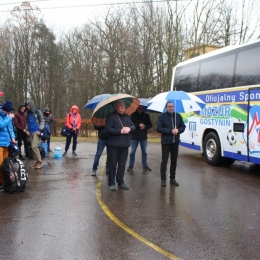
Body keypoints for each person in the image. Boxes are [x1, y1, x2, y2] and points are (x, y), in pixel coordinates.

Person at [104, 100, 135, 191]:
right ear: (116, 107)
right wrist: (120, 131)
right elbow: (108, 129)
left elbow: (134, 127)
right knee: (113, 164)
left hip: (125, 145)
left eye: (123, 105)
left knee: (122, 164)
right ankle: (111, 183)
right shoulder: (111, 116)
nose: (123, 107)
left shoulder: (127, 117)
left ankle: (120, 182)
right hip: (114, 145)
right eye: (120, 105)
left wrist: (129, 128)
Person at [156, 101, 186, 187]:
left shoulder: (178, 116)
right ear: (166, 107)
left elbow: (183, 126)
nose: (171, 108)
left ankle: (172, 178)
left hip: (175, 142)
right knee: (164, 161)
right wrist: (170, 131)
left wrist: (178, 130)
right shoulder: (162, 117)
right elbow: (158, 128)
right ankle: (163, 179)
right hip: (166, 142)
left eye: (172, 106)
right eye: (169, 106)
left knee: (174, 161)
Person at [127, 105, 153, 172]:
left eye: (141, 108)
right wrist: (138, 125)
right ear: (136, 108)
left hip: (143, 136)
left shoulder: (146, 115)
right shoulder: (132, 115)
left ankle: (145, 165)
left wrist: (145, 127)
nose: (140, 109)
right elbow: (130, 125)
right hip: (134, 136)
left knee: (144, 152)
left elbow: (150, 124)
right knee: (132, 152)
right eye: (139, 107)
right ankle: (131, 165)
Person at [0, 100, 16, 190]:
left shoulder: (7, 116)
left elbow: (10, 128)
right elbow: (1, 125)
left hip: (7, 143)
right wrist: (9, 118)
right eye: (6, 111)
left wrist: (13, 137)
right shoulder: (5, 117)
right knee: (0, 163)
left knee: (5, 165)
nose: (7, 113)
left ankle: (4, 182)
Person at [26, 100, 45, 169]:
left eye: (28, 105)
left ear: (31, 105)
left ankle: (40, 162)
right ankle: (36, 161)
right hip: (31, 132)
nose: (27, 107)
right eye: (27, 106)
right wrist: (27, 130)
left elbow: (42, 120)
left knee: (34, 146)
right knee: (32, 147)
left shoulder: (37, 111)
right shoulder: (27, 114)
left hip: (36, 132)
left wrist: (40, 130)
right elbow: (27, 123)